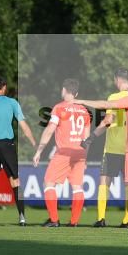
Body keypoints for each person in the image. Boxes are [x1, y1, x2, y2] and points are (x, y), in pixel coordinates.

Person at [74, 75, 128, 230]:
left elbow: (107, 114)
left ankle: (110, 219)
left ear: (117, 80)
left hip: (125, 148)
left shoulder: (127, 99)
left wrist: (82, 102)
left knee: (118, 184)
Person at [0, 76, 36, 226]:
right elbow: (23, 126)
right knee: (15, 181)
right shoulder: (12, 103)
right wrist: (34, 143)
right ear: (3, 87)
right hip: (6, 145)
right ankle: (22, 217)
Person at [80, 68, 128, 228]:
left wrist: (91, 137)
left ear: (117, 80)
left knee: (104, 182)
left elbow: (108, 120)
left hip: (113, 148)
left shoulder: (115, 97)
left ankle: (101, 218)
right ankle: (127, 220)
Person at [34, 79, 91, 226]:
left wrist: (39, 150)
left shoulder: (59, 108)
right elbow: (87, 137)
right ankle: (74, 222)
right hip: (80, 152)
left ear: (64, 90)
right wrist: (85, 157)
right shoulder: (85, 111)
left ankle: (54, 220)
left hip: (65, 151)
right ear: (76, 93)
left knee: (48, 183)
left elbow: (49, 130)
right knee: (77, 187)